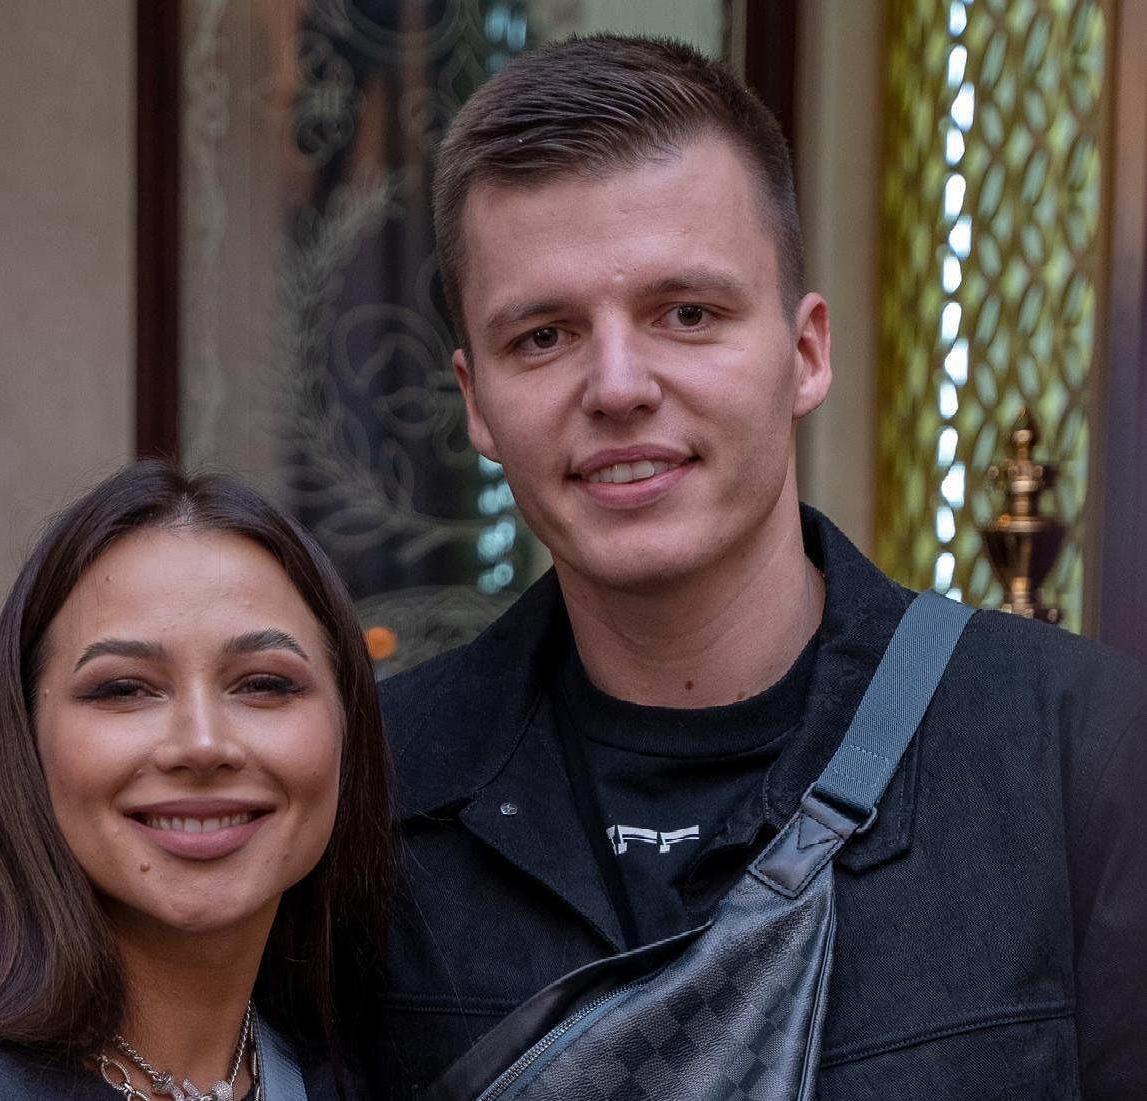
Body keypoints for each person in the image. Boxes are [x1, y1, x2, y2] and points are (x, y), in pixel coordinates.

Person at [370, 34, 1147, 1100]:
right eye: (543, 336)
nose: (618, 385)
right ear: (475, 402)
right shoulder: (374, 797)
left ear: (807, 352)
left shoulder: (1082, 754)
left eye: (687, 314)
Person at [0, 460, 391, 1101]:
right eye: (123, 689)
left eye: (265, 683)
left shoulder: (366, 1078)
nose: (202, 745)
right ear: (25, 743)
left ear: (348, 726)